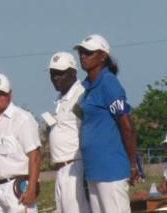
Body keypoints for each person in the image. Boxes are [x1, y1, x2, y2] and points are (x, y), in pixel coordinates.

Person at [74, 34, 138, 213]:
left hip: (111, 170)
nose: (83, 56)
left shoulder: (109, 83)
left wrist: (132, 164)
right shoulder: (88, 87)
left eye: (88, 52)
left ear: (103, 56)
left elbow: (127, 126)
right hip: (94, 169)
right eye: (81, 52)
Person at [0, 73, 41, 213]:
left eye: (1, 93)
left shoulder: (22, 119)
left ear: (10, 94)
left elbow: (35, 155)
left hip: (17, 188)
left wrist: (32, 188)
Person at [45, 51, 90, 213]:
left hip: (75, 166)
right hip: (61, 170)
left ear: (73, 72)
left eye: (60, 73)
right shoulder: (60, 98)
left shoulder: (79, 96)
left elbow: (87, 128)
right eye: (52, 73)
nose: (55, 77)